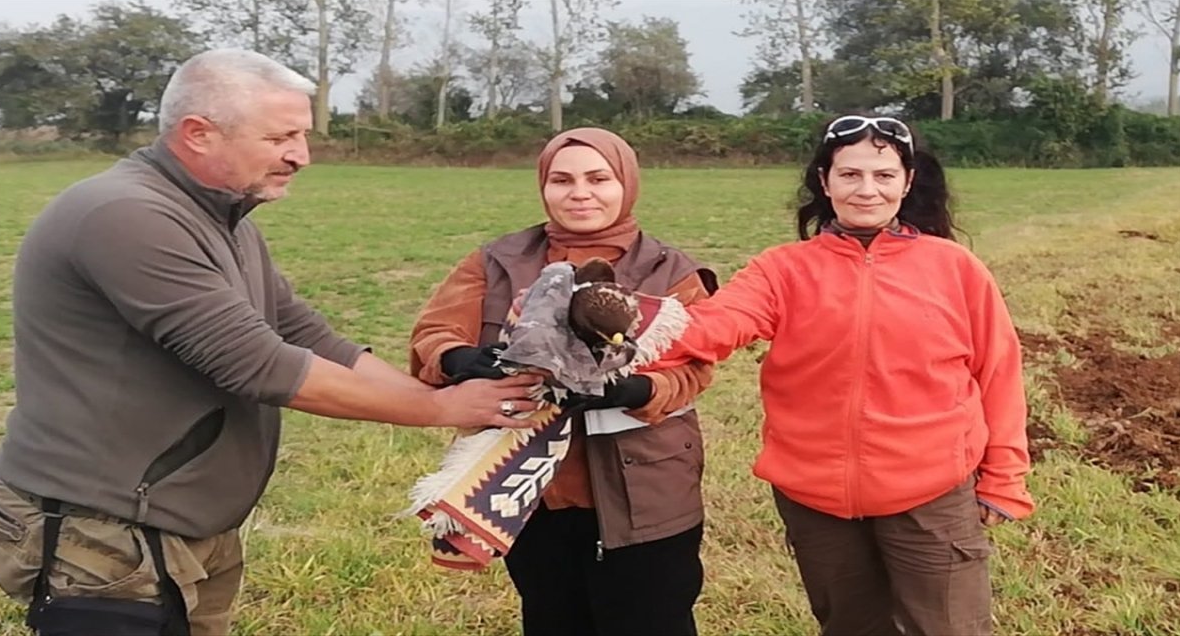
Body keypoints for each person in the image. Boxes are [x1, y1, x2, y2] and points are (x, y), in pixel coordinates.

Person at [0, 48, 539, 636]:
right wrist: (438, 408)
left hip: (183, 522)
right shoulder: (126, 215)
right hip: (106, 532)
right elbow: (258, 364)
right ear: (198, 134)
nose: (302, 155)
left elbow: (306, 334)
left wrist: (450, 398)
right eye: (282, 137)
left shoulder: (222, 219)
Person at [649, 115, 1035, 636]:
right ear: (825, 182)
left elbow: (999, 373)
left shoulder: (955, 268)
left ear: (907, 181)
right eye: (850, 175)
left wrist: (1004, 478)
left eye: (883, 175)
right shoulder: (781, 269)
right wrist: (623, 334)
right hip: (816, 501)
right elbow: (715, 326)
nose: (866, 189)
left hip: (932, 494)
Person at [408, 127, 718, 636]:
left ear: (627, 183)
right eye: (562, 179)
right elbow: (434, 334)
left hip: (647, 491)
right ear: (543, 186)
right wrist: (462, 358)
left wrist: (635, 390)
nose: (580, 193)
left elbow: (695, 366)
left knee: (653, 619)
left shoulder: (669, 270)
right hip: (526, 490)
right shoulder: (498, 261)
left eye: (599, 178)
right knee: (552, 617)